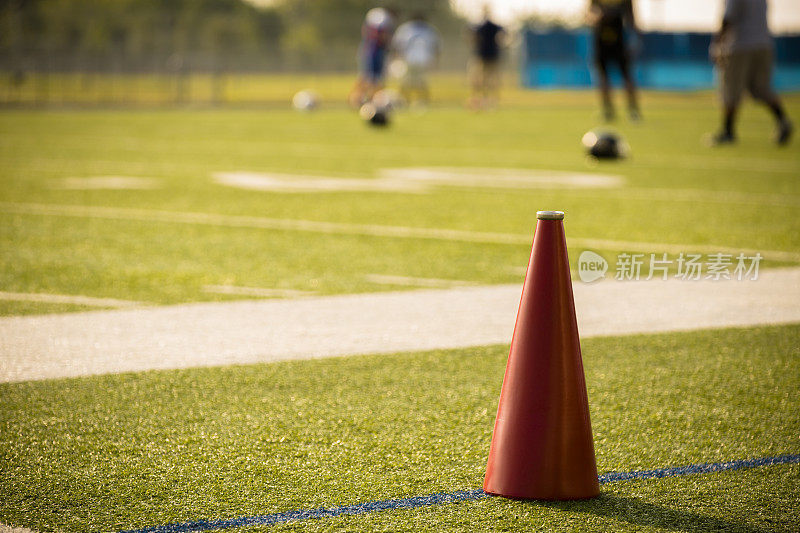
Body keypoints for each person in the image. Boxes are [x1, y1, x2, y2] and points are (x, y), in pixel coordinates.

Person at [708, 0, 793, 145]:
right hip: (764, 44)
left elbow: (729, 17)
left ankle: (728, 131)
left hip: (740, 45)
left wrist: (717, 43)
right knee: (761, 89)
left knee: (731, 88)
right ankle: (783, 120)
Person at [587, 0, 641, 121]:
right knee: (603, 78)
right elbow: (589, 14)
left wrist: (634, 38)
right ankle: (608, 111)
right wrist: (596, 17)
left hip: (619, 40)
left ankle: (633, 111)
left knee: (627, 77)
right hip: (601, 40)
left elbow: (631, 17)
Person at [349, 7, 396, 108]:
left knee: (372, 78)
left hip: (371, 51)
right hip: (373, 52)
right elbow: (382, 36)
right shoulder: (383, 20)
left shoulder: (376, 19)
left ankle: (369, 100)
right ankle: (357, 100)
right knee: (370, 78)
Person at [390, 12, 441, 106]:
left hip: (419, 60)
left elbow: (435, 46)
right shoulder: (409, 29)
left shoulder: (407, 29)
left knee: (418, 81)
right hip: (411, 59)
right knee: (408, 81)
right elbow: (397, 45)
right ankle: (406, 100)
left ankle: (421, 100)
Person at [468, 6, 505, 110]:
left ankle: (485, 100)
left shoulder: (481, 26)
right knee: (489, 80)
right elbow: (504, 35)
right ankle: (488, 101)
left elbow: (472, 37)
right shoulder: (494, 26)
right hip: (491, 55)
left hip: (484, 56)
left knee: (482, 79)